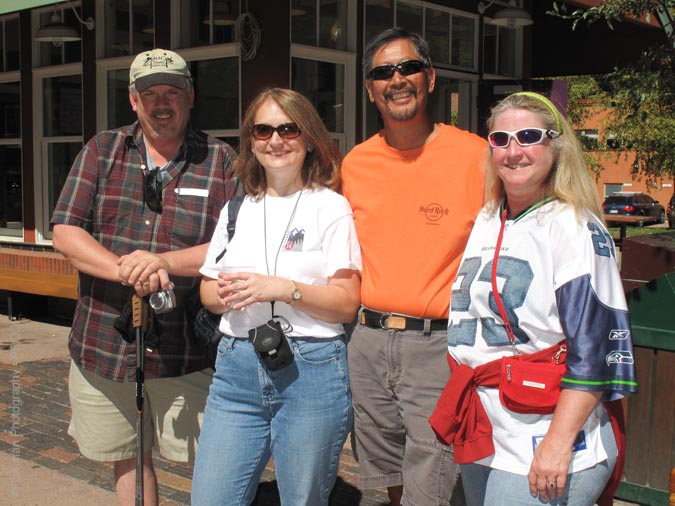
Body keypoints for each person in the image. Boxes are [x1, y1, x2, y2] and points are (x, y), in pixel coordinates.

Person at [429, 91, 638, 506]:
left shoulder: (573, 226)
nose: (513, 151)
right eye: (500, 139)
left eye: (528, 136)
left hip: (545, 433)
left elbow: (595, 350)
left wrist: (558, 443)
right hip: (488, 428)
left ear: (555, 146)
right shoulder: (488, 217)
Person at [51, 48, 237, 506]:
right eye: (149, 93)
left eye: (171, 91)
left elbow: (235, 244)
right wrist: (124, 269)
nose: (161, 103)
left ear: (190, 96)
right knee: (129, 460)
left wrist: (163, 263)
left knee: (219, 460)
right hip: (104, 344)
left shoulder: (220, 160)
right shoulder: (102, 150)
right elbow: (65, 232)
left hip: (189, 349)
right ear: (133, 100)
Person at [190, 87, 362, 506]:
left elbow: (346, 303)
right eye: (263, 130)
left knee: (301, 499)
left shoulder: (330, 207)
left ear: (309, 138)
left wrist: (285, 289)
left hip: (310, 370)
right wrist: (226, 293)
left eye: (288, 129)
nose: (276, 140)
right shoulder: (237, 209)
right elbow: (207, 291)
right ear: (251, 141)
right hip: (236, 367)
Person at [341, 27, 486, 506]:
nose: (397, 79)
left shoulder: (476, 157)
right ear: (370, 89)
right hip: (366, 342)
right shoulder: (356, 164)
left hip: (437, 344)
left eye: (408, 67)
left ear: (430, 78)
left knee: (435, 478)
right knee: (386, 478)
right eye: (384, 72)